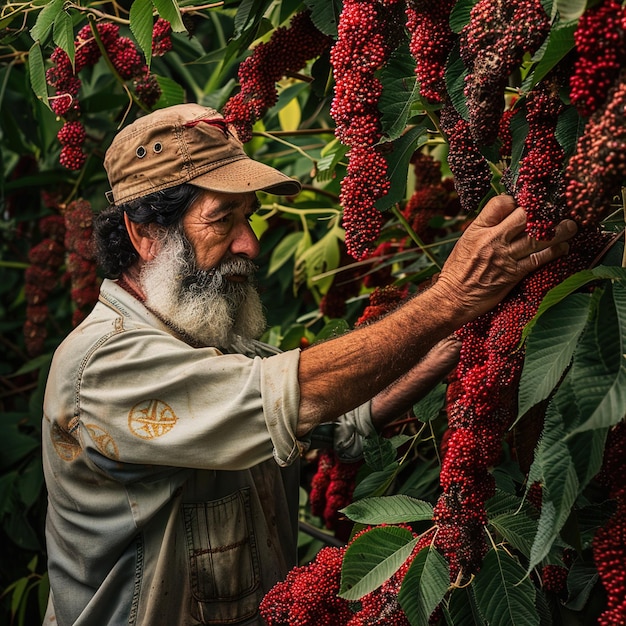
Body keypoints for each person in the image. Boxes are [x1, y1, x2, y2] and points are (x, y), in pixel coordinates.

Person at [42, 103, 576, 626]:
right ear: (144, 235)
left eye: (246, 218)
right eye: (221, 219)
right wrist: (452, 296)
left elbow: (340, 419)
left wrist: (456, 337)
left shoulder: (208, 343)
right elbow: (306, 392)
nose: (249, 245)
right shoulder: (104, 365)